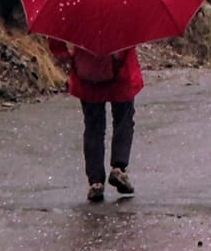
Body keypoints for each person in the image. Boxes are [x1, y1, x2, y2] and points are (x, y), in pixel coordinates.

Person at [47, 38, 143, 202]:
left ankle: (96, 182)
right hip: (121, 71)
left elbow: (56, 35)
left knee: (93, 127)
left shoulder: (74, 12)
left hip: (88, 72)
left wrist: (65, 55)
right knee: (124, 120)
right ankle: (118, 167)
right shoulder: (123, 12)